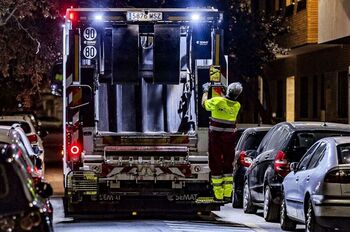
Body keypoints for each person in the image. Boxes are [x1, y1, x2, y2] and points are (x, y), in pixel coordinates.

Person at [202, 82, 243, 201]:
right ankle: (227, 194)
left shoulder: (217, 101)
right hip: (229, 140)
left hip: (216, 139)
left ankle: (218, 195)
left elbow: (204, 104)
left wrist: (205, 91)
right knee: (227, 166)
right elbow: (228, 102)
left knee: (215, 165)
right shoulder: (237, 106)